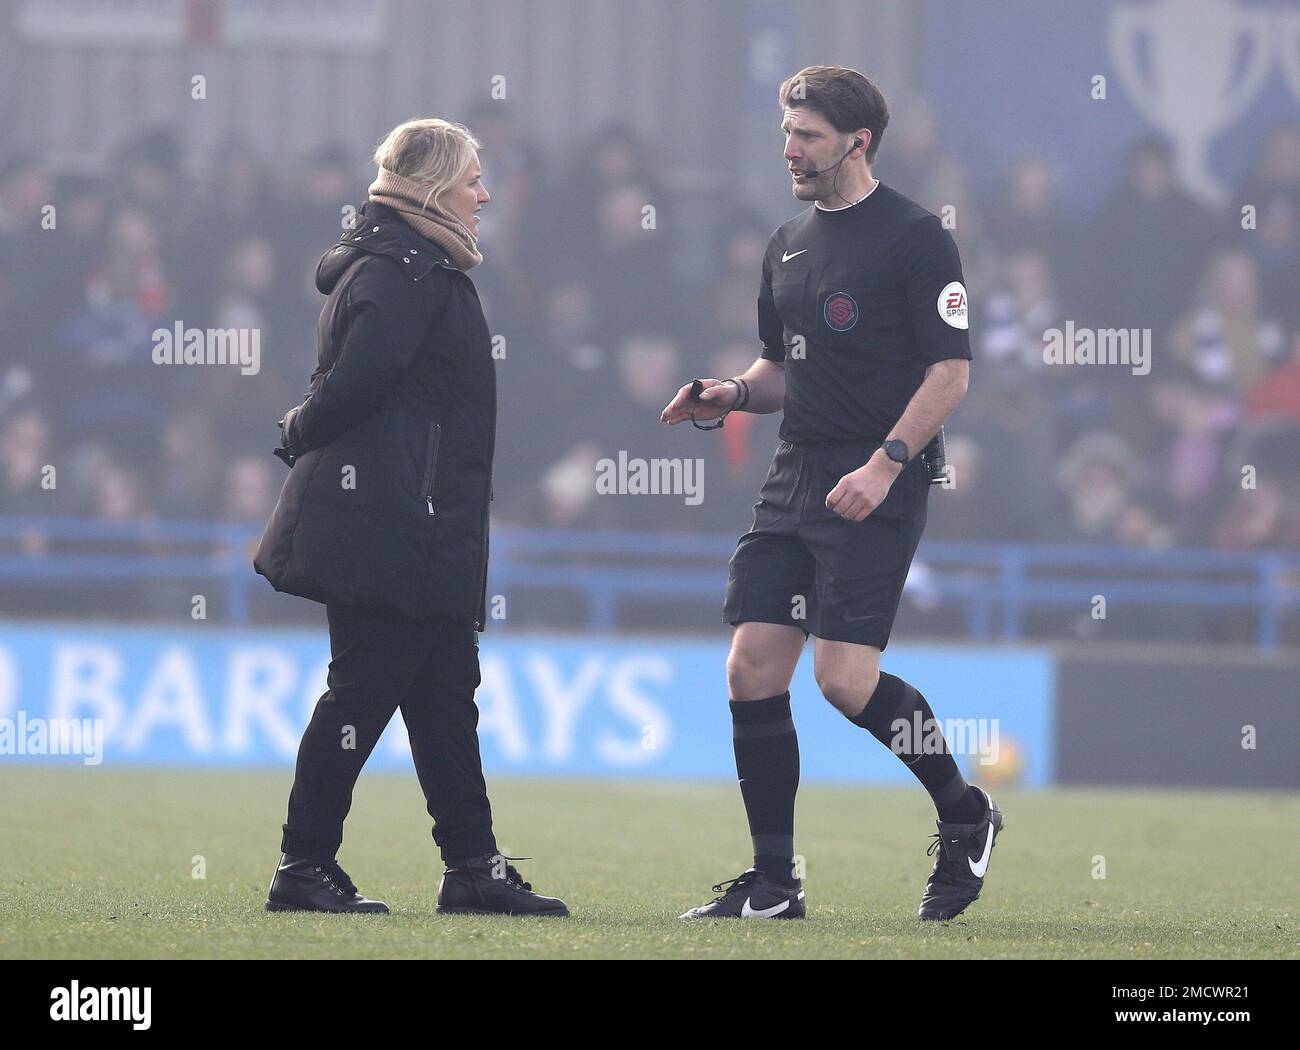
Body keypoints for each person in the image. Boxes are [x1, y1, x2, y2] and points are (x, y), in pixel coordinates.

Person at [662, 66, 1000, 922]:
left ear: (858, 141)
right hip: (797, 472)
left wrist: (887, 462)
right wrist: (732, 394)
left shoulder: (919, 238)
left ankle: (965, 814)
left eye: (807, 136)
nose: (791, 150)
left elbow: (951, 372)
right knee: (751, 667)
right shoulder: (787, 243)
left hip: (877, 473)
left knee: (845, 681)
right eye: (787, 134)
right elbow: (779, 368)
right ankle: (775, 884)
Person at [253, 117, 567, 917]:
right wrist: (295, 431)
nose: (484, 194)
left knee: (441, 697)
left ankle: (471, 868)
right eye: (471, 180)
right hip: (394, 526)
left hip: (416, 523)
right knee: (362, 695)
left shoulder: (409, 266)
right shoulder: (405, 274)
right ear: (430, 189)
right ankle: (304, 865)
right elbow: (354, 388)